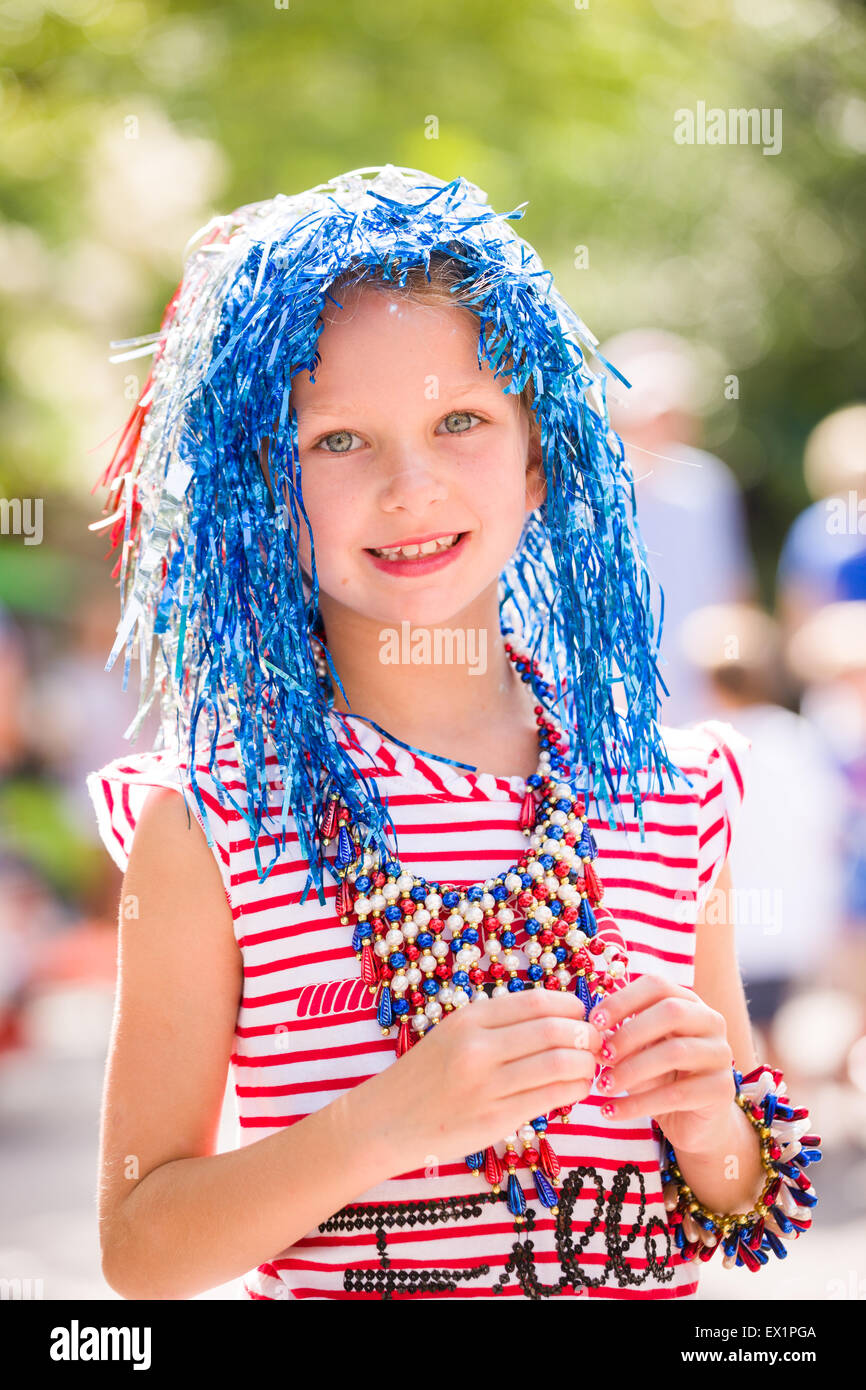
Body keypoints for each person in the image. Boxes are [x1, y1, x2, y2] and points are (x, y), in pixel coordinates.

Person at [85, 166, 818, 1301]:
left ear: (537, 458)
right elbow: (140, 1249)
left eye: (459, 421)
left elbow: (736, 1203)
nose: (409, 485)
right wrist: (385, 1126)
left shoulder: (667, 792)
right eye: (337, 441)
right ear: (261, 489)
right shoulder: (212, 825)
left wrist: (714, 1122)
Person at [597, 328, 756, 725]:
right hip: (616, 692)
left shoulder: (708, 483)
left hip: (701, 693)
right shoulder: (594, 488)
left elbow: (732, 587)